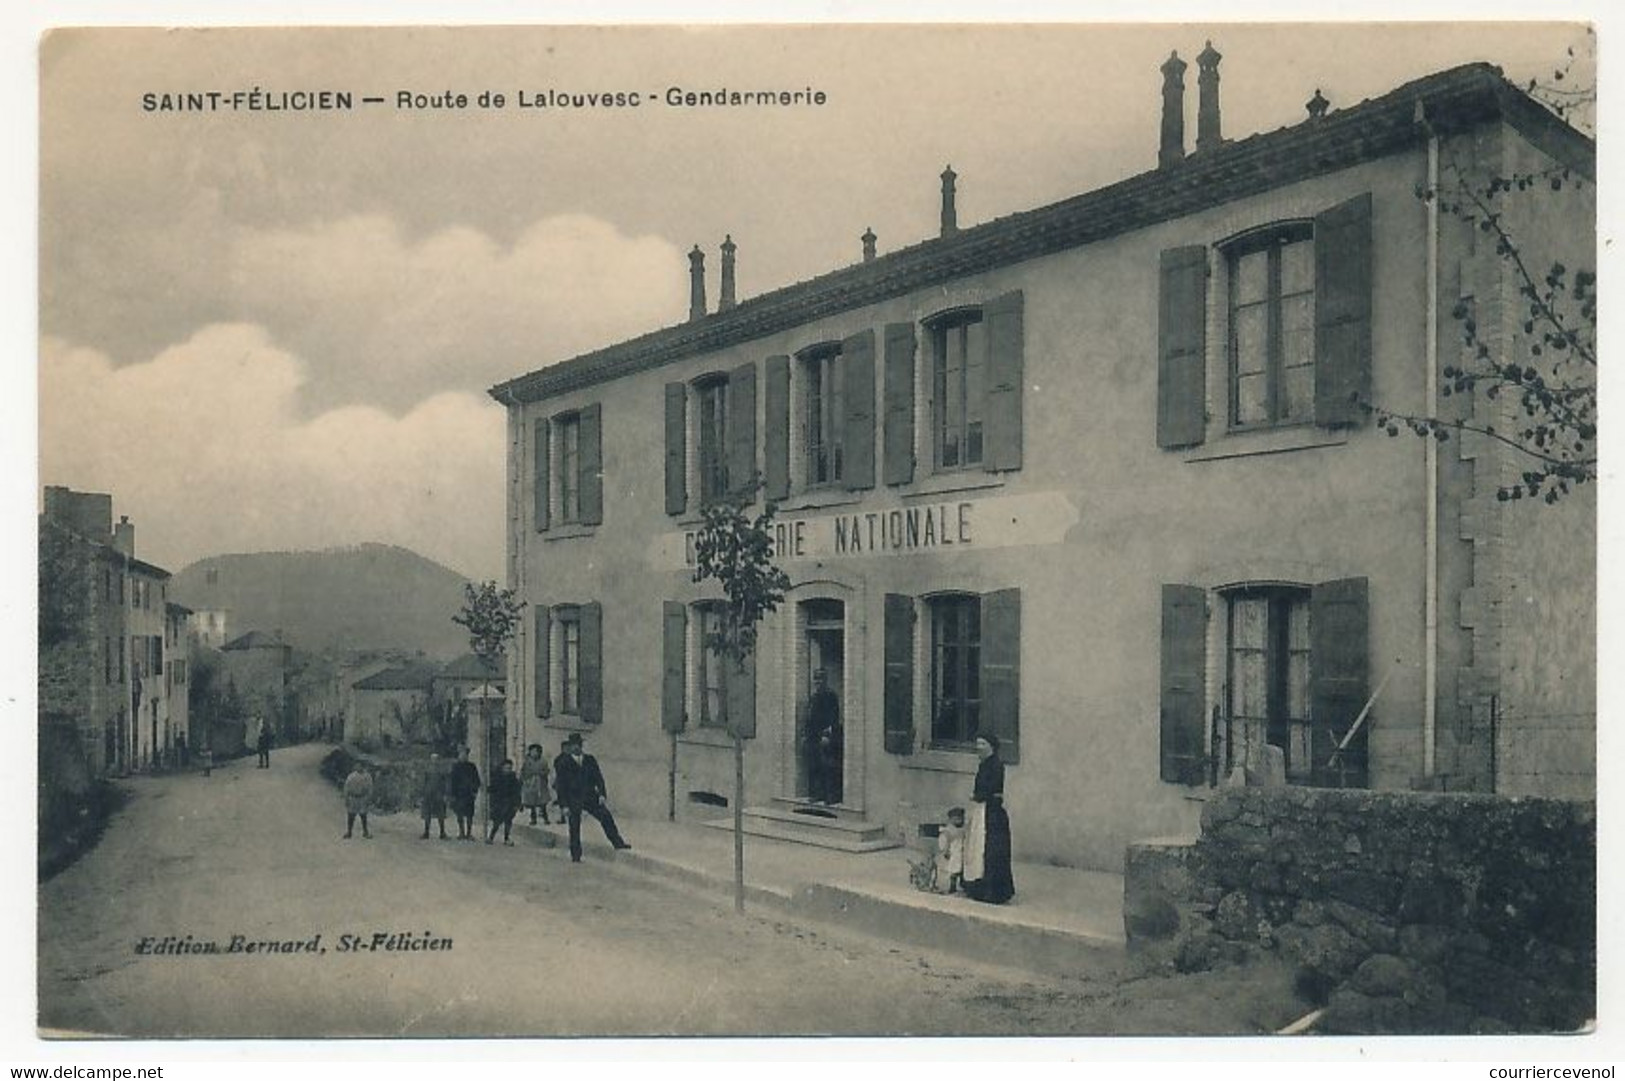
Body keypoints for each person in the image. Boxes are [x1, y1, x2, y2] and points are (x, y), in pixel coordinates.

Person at [553, 733, 631, 862]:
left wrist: (601, 794)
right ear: (570, 747)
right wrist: (564, 805)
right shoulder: (564, 762)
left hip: (590, 796)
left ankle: (618, 843)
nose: (576, 748)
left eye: (578, 745)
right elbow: (561, 786)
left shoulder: (590, 760)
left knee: (605, 816)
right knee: (574, 825)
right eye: (573, 746)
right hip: (573, 798)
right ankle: (576, 854)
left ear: (581, 746)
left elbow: (598, 778)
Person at [961, 735, 1015, 904]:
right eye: (977, 743)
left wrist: (978, 796)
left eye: (983, 743)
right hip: (981, 810)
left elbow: (993, 789)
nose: (979, 747)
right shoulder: (983, 765)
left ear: (991, 746)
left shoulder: (996, 766)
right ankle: (977, 887)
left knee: (990, 850)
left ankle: (993, 891)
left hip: (991, 813)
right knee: (977, 848)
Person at [806, 669, 843, 804]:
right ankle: (817, 794)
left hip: (826, 737)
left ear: (825, 681)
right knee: (815, 766)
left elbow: (833, 717)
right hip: (814, 737)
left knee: (828, 767)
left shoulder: (830, 696)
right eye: (816, 680)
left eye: (820, 679)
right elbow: (810, 718)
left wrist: (827, 734)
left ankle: (831, 796)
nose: (817, 682)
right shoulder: (814, 697)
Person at [448, 746, 481, 841]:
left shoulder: (472, 766)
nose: (463, 756)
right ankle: (461, 832)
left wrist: (475, 791)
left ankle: (469, 833)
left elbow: (476, 780)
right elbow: (452, 781)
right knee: (460, 814)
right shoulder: (456, 766)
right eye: (461, 754)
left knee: (470, 814)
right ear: (458, 755)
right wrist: (452, 794)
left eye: (465, 755)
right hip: (459, 794)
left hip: (469, 794)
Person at [486, 759, 522, 845]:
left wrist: (518, 804)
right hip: (499, 803)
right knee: (497, 821)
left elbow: (517, 792)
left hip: (510, 803)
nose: (508, 770)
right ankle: (491, 837)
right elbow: (493, 789)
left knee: (508, 821)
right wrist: (489, 789)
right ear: (502, 768)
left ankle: (506, 838)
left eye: (509, 768)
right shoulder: (497, 778)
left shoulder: (513, 779)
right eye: (506, 768)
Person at [936, 806, 967, 894]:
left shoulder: (962, 830)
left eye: (961, 818)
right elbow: (943, 841)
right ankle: (950, 887)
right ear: (951, 819)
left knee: (959, 870)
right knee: (951, 871)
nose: (959, 820)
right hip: (952, 853)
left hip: (960, 852)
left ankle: (960, 885)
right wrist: (945, 850)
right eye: (956, 818)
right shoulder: (948, 830)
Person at [419, 752, 449, 840]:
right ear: (430, 760)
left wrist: (446, 794)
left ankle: (442, 832)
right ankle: (426, 832)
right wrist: (422, 794)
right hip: (428, 794)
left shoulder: (442, 770)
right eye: (433, 759)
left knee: (441, 814)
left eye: (436, 759)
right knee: (427, 814)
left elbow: (446, 783)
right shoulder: (427, 770)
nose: (435, 761)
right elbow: (423, 782)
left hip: (439, 794)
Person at [520, 743, 551, 825]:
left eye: (536, 751)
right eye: (532, 751)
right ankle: (533, 818)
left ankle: (545, 817)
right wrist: (525, 779)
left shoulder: (543, 761)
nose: (534, 753)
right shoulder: (527, 761)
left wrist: (541, 774)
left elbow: (546, 771)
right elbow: (523, 772)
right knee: (532, 802)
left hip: (541, 783)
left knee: (543, 802)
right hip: (530, 783)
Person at [342, 764, 373, 840]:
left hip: (362, 798)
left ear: (363, 767)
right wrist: (346, 799)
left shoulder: (367, 776)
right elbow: (346, 788)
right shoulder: (351, 776)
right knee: (351, 816)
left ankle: (365, 832)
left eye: (361, 766)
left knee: (363, 816)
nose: (359, 768)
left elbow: (370, 788)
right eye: (358, 766)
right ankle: (349, 832)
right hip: (353, 798)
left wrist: (368, 799)